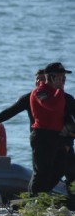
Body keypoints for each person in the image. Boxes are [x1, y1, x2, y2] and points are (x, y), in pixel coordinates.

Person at [28, 62, 71, 195]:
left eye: (64, 77)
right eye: (60, 77)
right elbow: (52, 106)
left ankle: (43, 195)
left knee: (60, 168)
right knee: (42, 172)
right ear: (51, 77)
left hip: (56, 136)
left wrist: (69, 140)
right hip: (41, 136)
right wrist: (59, 90)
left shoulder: (60, 94)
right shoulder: (39, 91)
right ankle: (33, 199)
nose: (63, 80)